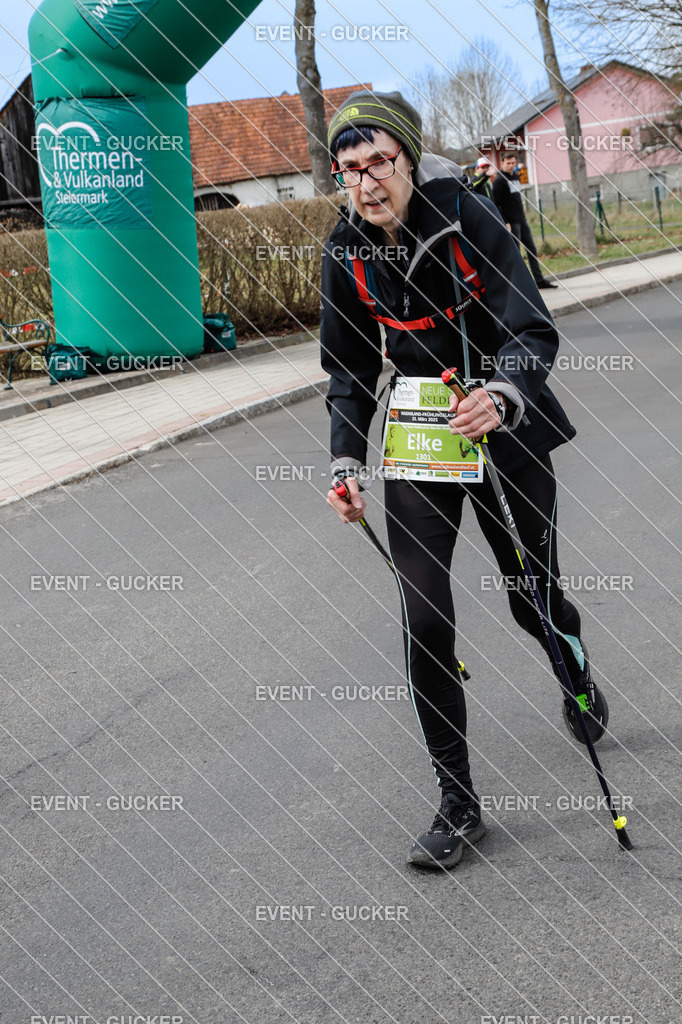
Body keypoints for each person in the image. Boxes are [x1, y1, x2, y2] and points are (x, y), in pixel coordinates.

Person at [320, 90, 607, 871]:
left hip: (504, 426)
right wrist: (346, 464)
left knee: (530, 593)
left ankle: (570, 667)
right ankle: (458, 801)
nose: (368, 181)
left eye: (380, 161)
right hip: (423, 437)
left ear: (409, 159)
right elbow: (346, 369)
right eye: (351, 168)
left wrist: (504, 392)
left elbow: (532, 328)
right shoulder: (344, 247)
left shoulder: (469, 216)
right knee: (424, 617)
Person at [492, 150, 557, 289]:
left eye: (513, 163)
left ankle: (539, 280)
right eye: (508, 163)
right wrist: (505, 221)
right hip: (511, 222)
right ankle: (519, 285)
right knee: (516, 253)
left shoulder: (516, 176)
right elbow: (496, 204)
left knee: (531, 249)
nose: (510, 165)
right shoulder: (499, 181)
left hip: (521, 219)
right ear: (502, 163)